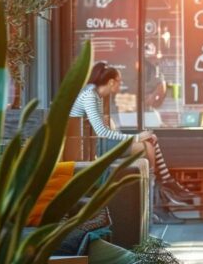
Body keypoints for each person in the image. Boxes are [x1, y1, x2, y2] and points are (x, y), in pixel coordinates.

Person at [69, 62, 193, 224]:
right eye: (119, 82)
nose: (120, 86)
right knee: (148, 144)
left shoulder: (96, 95)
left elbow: (105, 130)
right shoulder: (90, 96)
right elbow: (101, 133)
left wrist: (139, 136)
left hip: (98, 143)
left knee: (150, 140)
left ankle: (162, 187)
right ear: (111, 82)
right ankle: (160, 192)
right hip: (93, 147)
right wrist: (136, 137)